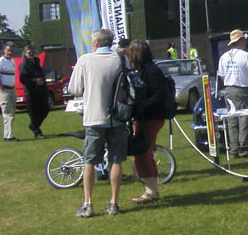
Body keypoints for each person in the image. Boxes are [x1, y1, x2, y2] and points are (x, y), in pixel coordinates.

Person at [67, 29, 128, 217]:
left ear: (96, 44)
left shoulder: (85, 60)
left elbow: (74, 88)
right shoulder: (120, 59)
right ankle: (114, 203)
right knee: (116, 160)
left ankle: (88, 203)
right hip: (117, 117)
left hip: (94, 117)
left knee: (90, 161)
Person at [128, 39, 172, 204]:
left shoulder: (152, 71)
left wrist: (141, 106)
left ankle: (151, 191)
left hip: (152, 117)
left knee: (143, 153)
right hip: (146, 117)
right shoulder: (142, 70)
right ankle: (151, 190)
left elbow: (158, 95)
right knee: (144, 153)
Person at [217, 29, 248, 157]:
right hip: (243, 90)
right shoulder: (247, 56)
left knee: (232, 120)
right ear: (241, 41)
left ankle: (233, 149)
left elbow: (222, 76)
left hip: (228, 89)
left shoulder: (224, 57)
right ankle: (244, 149)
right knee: (245, 119)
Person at [19, 45, 50, 139]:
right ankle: (37, 131)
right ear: (25, 53)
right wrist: (35, 81)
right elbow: (22, 79)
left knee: (45, 109)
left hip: (41, 91)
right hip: (31, 93)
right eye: (29, 53)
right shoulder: (24, 64)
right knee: (34, 114)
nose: (32, 54)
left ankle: (33, 126)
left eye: (33, 52)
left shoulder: (37, 62)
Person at [0, 43, 18, 141]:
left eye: (11, 51)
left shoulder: (12, 62)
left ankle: (8, 135)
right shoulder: (0, 61)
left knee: (11, 113)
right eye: (8, 50)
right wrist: (1, 88)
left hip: (12, 89)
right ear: (4, 50)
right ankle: (9, 137)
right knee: (8, 114)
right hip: (4, 90)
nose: (10, 52)